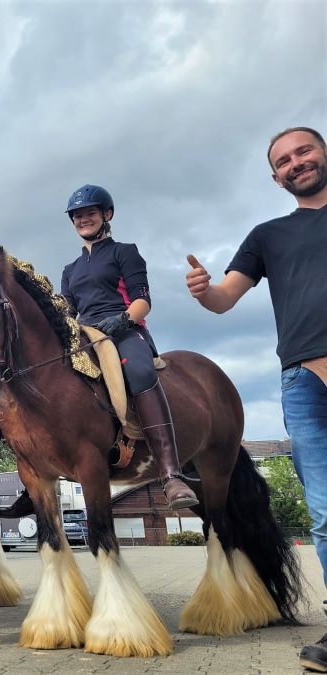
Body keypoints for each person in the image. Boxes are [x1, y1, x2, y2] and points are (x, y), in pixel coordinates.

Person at [185, 126, 327, 673]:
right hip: (303, 382)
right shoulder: (267, 235)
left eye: (304, 151)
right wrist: (204, 291)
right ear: (276, 178)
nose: (296, 163)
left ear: (322, 153)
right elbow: (225, 299)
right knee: (324, 513)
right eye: (284, 161)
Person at [60, 184, 198, 511]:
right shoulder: (70, 270)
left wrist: (122, 320)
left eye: (90, 213)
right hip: (85, 332)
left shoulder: (125, 252)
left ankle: (171, 473)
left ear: (106, 214)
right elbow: (67, 310)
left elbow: (142, 300)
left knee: (138, 370)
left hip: (123, 328)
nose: (83, 220)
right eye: (78, 216)